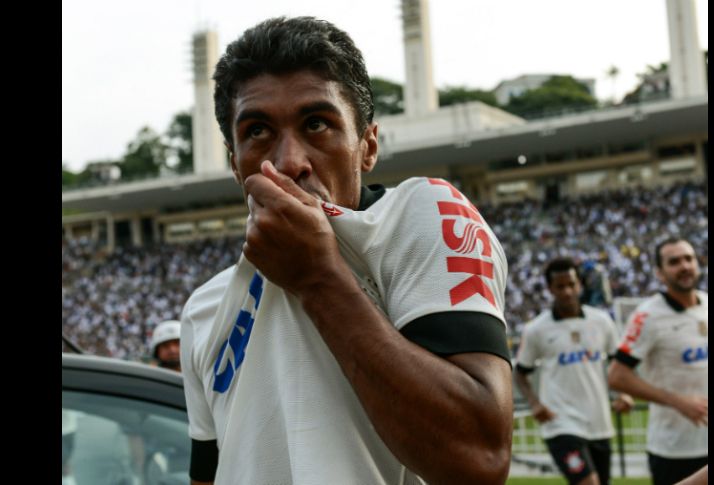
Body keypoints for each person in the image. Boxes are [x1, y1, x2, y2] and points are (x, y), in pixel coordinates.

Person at [180, 16, 513, 485]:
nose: (290, 162)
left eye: (317, 124)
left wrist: (318, 280)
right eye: (257, 131)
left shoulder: (421, 214)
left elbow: (479, 460)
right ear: (235, 164)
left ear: (368, 146)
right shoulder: (204, 309)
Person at [514, 257, 633, 485]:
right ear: (550, 289)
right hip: (561, 423)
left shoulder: (601, 322)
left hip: (599, 423)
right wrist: (534, 402)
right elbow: (520, 372)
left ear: (579, 285)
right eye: (560, 286)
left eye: (571, 284)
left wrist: (624, 394)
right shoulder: (537, 329)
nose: (567, 291)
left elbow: (617, 365)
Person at [608, 237, 707, 485]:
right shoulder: (647, 316)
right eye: (674, 262)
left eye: (689, 259)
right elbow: (617, 376)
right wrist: (678, 402)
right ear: (660, 273)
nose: (684, 266)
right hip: (675, 450)